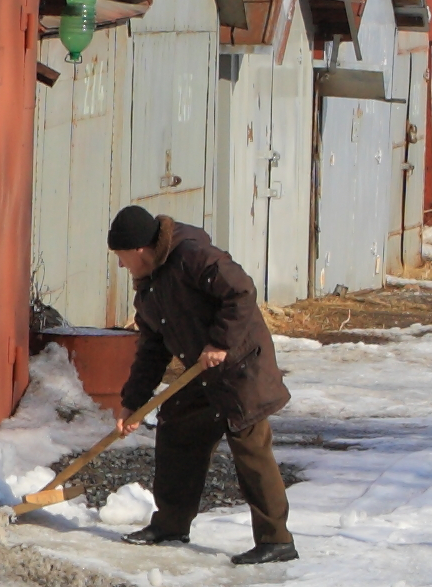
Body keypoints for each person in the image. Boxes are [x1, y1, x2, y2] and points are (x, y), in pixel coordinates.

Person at [106, 203, 295, 565]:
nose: (120, 265)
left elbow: (240, 291)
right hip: (202, 371)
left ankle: (276, 540)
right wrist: (133, 403)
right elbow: (151, 349)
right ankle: (171, 524)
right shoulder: (148, 289)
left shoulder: (193, 255)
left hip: (241, 364)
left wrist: (221, 341)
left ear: (139, 250)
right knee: (178, 430)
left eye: (121, 256)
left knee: (250, 447)